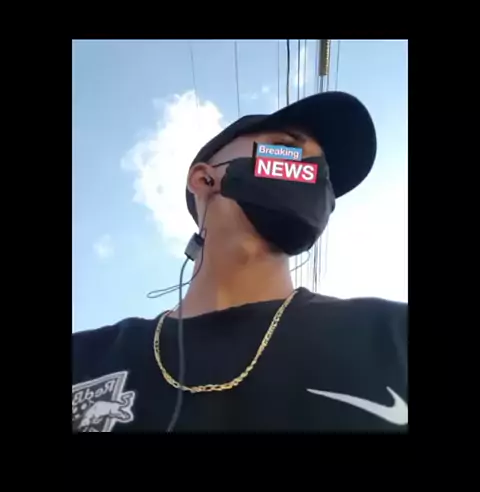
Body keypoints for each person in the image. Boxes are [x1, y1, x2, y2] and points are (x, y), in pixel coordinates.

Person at [72, 91, 407, 433]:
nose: (313, 173)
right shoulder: (85, 359)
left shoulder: (394, 336)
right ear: (204, 178)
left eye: (326, 175)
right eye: (286, 147)